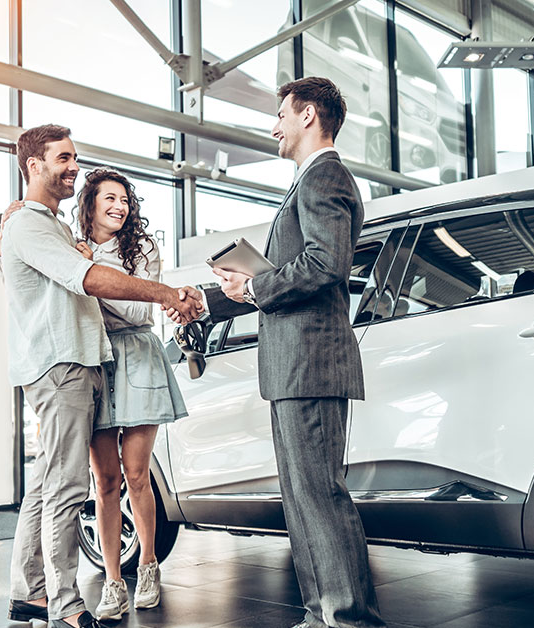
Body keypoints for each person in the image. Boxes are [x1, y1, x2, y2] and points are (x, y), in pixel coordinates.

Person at [168, 77, 385, 628]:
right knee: (303, 502)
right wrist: (210, 300)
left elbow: (324, 265)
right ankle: (322, 615)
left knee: (320, 497)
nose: (275, 126)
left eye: (282, 115)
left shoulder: (325, 177)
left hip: (310, 366)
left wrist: (256, 287)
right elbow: (281, 275)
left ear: (309, 115)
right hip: (293, 369)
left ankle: (349, 618)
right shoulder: (310, 181)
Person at [0, 124, 201, 628]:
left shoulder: (49, 225)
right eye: (63, 157)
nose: (73, 166)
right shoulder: (29, 225)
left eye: (75, 158)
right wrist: (161, 293)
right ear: (34, 165)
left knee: (49, 485)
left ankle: (29, 592)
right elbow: (85, 278)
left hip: (81, 363)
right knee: (70, 488)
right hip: (62, 367)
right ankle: (66, 605)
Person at [71, 168, 187, 620]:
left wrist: (94, 274)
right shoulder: (74, 248)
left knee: (138, 475)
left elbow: (139, 308)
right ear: (91, 205)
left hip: (138, 356)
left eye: (124, 199)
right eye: (109, 199)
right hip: (95, 360)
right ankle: (114, 582)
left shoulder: (143, 248)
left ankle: (149, 565)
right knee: (104, 482)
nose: (119, 206)